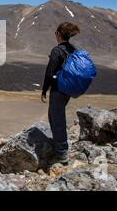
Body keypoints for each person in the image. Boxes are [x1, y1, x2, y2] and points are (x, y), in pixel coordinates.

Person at [41, 22, 81, 164]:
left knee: (56, 118)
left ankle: (62, 153)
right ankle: (60, 146)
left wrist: (44, 90)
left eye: (55, 33)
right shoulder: (72, 49)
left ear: (59, 34)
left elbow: (49, 73)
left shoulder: (57, 51)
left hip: (58, 89)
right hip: (67, 89)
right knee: (56, 116)